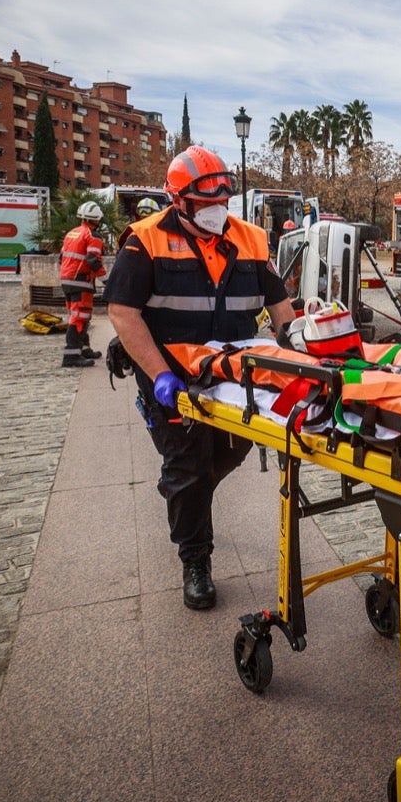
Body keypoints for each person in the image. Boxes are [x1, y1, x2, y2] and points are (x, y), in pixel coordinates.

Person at [104, 146, 295, 611]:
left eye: (222, 201)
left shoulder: (252, 239)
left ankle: (183, 494)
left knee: (227, 454)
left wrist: (298, 350)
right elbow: (123, 312)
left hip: (235, 380)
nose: (216, 210)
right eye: (205, 203)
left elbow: (280, 309)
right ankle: (195, 558)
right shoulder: (145, 240)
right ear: (179, 202)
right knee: (189, 468)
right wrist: (159, 375)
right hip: (172, 380)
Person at [59, 201, 107, 368]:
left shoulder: (71, 233)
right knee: (80, 318)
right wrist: (106, 280)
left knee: (77, 316)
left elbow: (62, 257)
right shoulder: (93, 236)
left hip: (66, 280)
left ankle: (84, 349)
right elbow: (93, 260)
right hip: (82, 281)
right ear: (97, 219)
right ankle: (71, 356)